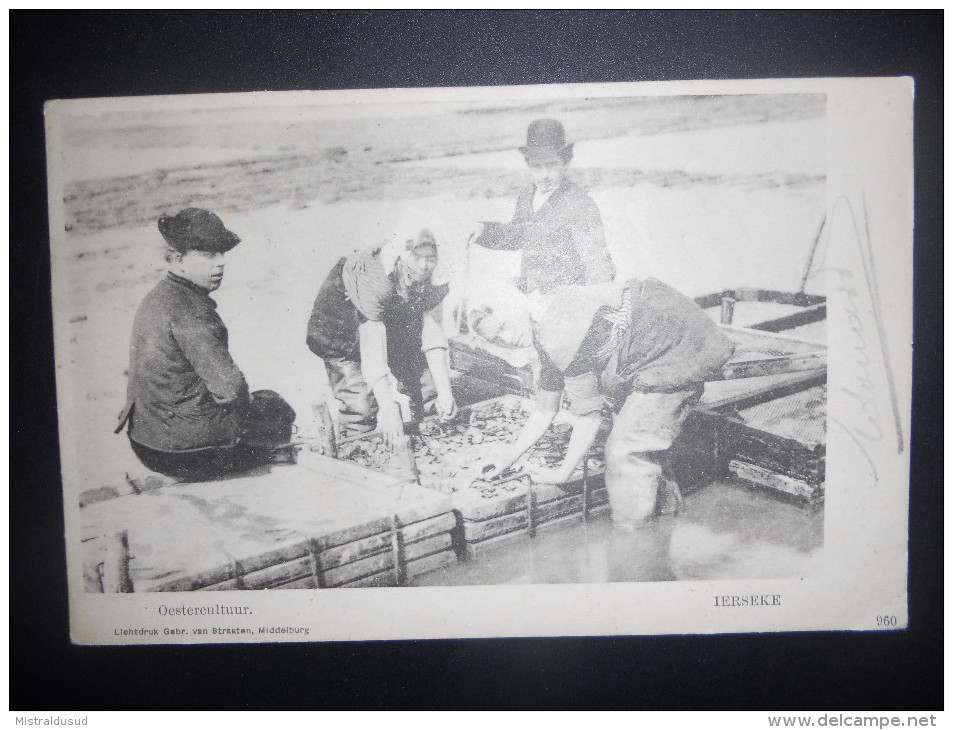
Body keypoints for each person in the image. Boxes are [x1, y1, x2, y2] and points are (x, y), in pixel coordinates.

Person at [472, 277, 734, 528]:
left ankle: (634, 541)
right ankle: (663, 525)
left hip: (675, 345)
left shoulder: (557, 329)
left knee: (623, 450)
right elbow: (545, 409)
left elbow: (589, 417)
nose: (506, 339)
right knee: (640, 441)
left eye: (503, 326)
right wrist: (506, 459)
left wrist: (562, 473)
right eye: (496, 339)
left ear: (514, 307)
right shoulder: (540, 334)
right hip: (652, 345)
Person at [115, 208, 296, 481]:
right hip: (182, 453)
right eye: (208, 255)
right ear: (178, 259)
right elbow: (230, 388)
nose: (220, 263)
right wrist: (250, 415)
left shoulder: (159, 297)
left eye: (222, 253)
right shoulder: (190, 310)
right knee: (277, 408)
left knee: (259, 407)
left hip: (145, 440)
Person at [306, 216, 457, 446]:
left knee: (428, 383)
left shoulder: (434, 277)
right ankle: (357, 445)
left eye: (431, 258)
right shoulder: (376, 279)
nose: (424, 266)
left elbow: (432, 333)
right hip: (341, 325)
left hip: (389, 318)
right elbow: (373, 355)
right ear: (404, 255)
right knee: (361, 404)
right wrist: (388, 409)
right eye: (417, 257)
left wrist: (445, 392)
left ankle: (432, 428)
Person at [471, 118, 616, 295]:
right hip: (530, 291)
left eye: (551, 165)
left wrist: (594, 302)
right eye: (536, 167)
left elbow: (597, 263)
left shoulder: (580, 204)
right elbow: (519, 234)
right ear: (528, 165)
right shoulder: (527, 196)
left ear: (565, 162)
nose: (544, 175)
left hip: (565, 298)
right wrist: (483, 230)